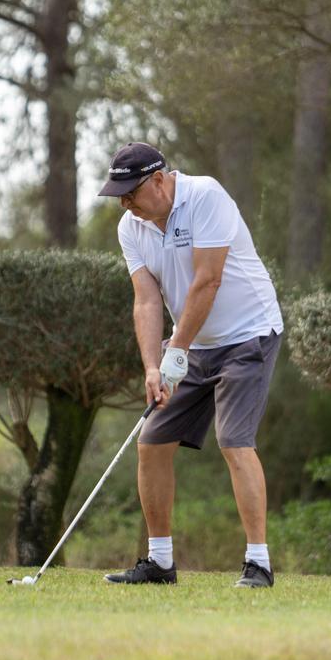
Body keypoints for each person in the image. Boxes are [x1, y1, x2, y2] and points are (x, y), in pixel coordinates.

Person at [97, 142, 284, 588]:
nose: (124, 203)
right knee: (152, 441)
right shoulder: (132, 227)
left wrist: (176, 350)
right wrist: (152, 367)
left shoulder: (206, 196)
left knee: (234, 441)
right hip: (193, 343)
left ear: (158, 181)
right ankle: (160, 563)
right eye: (118, 195)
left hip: (248, 334)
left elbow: (208, 280)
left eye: (130, 192)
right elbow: (145, 300)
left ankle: (258, 563)